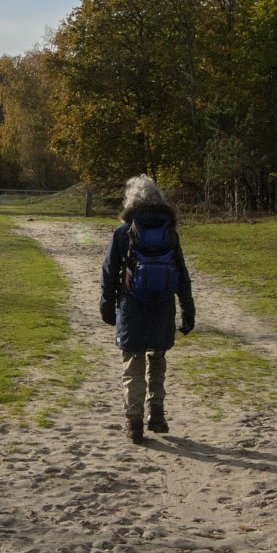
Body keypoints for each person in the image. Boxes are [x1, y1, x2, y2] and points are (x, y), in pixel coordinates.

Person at [100, 175, 195, 442]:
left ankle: (134, 424)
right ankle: (157, 413)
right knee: (157, 359)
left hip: (132, 306)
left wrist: (107, 306)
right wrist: (188, 309)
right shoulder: (170, 233)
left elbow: (109, 272)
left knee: (133, 364)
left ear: (131, 201)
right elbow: (181, 274)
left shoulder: (123, 232)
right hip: (162, 305)